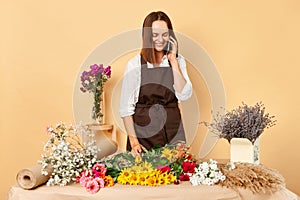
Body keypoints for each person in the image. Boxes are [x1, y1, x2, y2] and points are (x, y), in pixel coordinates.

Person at [120, 11, 192, 156]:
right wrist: (134, 143)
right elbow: (126, 110)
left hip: (173, 130)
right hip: (144, 134)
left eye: (165, 35)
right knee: (147, 176)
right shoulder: (135, 64)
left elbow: (184, 94)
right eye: (155, 35)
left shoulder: (178, 61)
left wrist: (173, 60)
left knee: (176, 175)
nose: (160, 39)